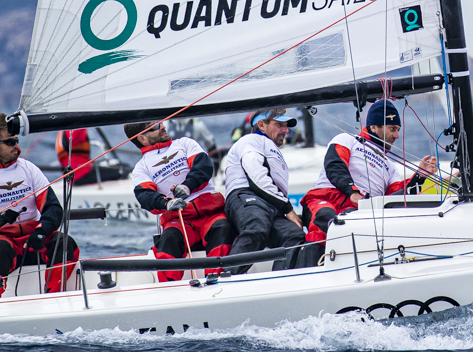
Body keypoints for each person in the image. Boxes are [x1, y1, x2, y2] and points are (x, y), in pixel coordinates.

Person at [296, 100, 439, 268]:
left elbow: (395, 196)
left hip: (357, 210)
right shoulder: (347, 139)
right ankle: (307, 273)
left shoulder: (391, 167)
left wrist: (419, 177)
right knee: (326, 219)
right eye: (392, 129)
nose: (397, 136)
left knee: (350, 225)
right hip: (325, 198)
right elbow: (335, 165)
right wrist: (352, 191)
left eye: (398, 130)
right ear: (373, 128)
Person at [0, 114, 79, 298]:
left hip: (33, 239)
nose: (16, 146)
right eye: (10, 142)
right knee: (0, 249)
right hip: (3, 241)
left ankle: (55, 297)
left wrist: (42, 231)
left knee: (64, 242)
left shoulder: (29, 169)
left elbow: (53, 208)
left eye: (16, 140)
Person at [125, 119, 228, 282]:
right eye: (156, 127)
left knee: (223, 229)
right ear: (143, 138)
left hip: (210, 213)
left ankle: (216, 280)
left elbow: (203, 167)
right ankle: (170, 290)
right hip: (179, 219)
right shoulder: (141, 168)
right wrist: (166, 203)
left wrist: (187, 186)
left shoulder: (185, 144)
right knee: (168, 240)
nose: (163, 127)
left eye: (161, 123)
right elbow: (145, 196)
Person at [221, 108, 306, 272]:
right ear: (261, 125)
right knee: (257, 226)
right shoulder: (251, 140)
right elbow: (256, 178)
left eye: (286, 125)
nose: (286, 130)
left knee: (295, 235)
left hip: (269, 205)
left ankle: (281, 282)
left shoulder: (266, 145)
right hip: (246, 195)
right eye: (279, 124)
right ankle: (227, 279)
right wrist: (287, 208)